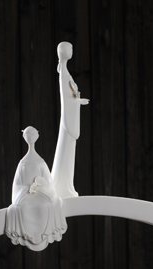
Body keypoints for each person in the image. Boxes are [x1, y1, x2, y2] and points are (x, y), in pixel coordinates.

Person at [5, 126, 67, 251]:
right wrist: (27, 190)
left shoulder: (41, 162)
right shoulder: (22, 164)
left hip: (42, 195)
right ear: (24, 136)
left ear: (37, 136)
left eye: (33, 134)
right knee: (21, 208)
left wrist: (39, 188)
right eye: (28, 134)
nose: (30, 137)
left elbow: (48, 182)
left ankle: (45, 234)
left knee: (47, 205)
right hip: (25, 196)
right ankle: (28, 235)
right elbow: (17, 184)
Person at [51, 42, 89, 199]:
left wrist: (77, 101)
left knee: (69, 151)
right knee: (66, 149)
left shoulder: (65, 73)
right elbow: (66, 100)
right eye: (70, 49)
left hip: (70, 117)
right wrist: (78, 102)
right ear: (64, 52)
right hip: (68, 119)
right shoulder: (63, 75)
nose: (72, 51)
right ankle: (62, 187)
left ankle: (67, 186)